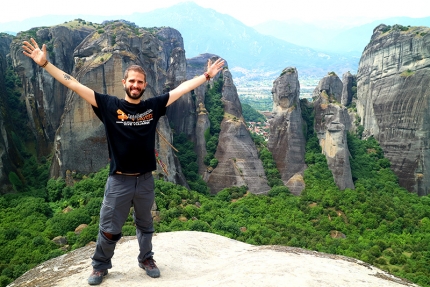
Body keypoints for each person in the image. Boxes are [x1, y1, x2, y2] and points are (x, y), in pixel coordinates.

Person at [22, 38, 224, 285]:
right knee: (109, 228)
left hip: (145, 180)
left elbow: (181, 89)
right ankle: (100, 266)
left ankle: (146, 258)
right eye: (132, 81)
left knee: (146, 225)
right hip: (119, 181)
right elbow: (73, 84)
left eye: (140, 82)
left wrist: (206, 76)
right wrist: (45, 65)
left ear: (144, 85)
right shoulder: (109, 106)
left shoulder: (152, 107)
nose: (136, 85)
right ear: (124, 83)